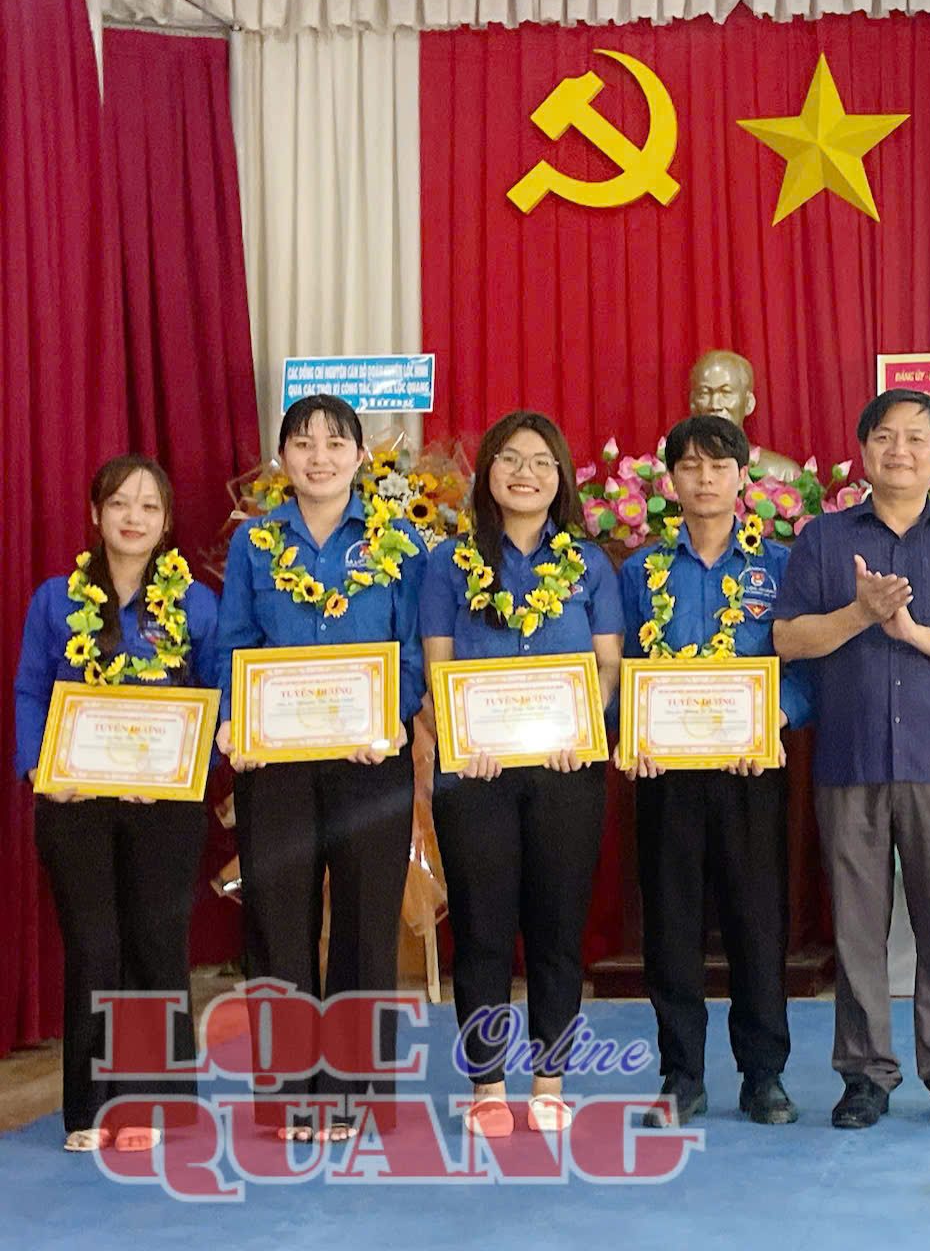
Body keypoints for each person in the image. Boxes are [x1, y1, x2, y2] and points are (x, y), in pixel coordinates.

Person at [774, 389, 930, 1131]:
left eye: (914, 438)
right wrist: (860, 614)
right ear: (864, 450)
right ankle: (864, 1075)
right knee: (856, 929)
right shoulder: (823, 539)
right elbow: (788, 639)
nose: (899, 450)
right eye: (884, 436)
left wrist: (910, 632)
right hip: (849, 763)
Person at [214, 393, 427, 1141]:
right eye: (302, 443)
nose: (319, 457)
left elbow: (413, 650)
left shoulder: (399, 540)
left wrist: (391, 715)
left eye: (336, 443)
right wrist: (233, 720)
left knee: (367, 926)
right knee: (279, 923)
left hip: (371, 758)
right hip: (275, 761)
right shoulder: (255, 542)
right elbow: (234, 643)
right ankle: (287, 1097)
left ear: (361, 457)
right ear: (282, 458)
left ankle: (354, 1091)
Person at [420, 410, 622, 1138]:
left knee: (557, 928)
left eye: (541, 461)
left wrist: (585, 725)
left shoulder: (589, 565)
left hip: (566, 770)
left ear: (561, 476)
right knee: (482, 929)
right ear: (488, 473)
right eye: (510, 458)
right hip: (474, 774)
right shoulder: (449, 563)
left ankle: (549, 1081)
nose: (525, 473)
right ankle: (486, 1084)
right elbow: (437, 665)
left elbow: (607, 666)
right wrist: (457, 734)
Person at [15, 455, 219, 1153]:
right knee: (94, 948)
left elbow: (218, 697)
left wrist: (186, 768)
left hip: (164, 807)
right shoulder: (56, 600)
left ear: (166, 523)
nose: (134, 517)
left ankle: (152, 1104)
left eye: (149, 506)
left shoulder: (194, 604)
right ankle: (90, 1107)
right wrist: (40, 768)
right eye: (121, 504)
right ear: (96, 513)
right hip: (76, 802)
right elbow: (30, 690)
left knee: (156, 946)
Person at [618, 414, 813, 1130]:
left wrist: (778, 715)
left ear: (742, 477)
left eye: (719, 466)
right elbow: (620, 668)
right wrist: (628, 731)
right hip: (665, 774)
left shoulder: (779, 567)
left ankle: (764, 1075)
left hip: (749, 768)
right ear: (670, 481)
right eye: (690, 467)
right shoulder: (640, 571)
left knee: (757, 923)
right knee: (670, 926)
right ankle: (681, 1075)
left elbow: (805, 663)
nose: (705, 479)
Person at [687, 349, 802, 481]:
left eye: (726, 393)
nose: (715, 404)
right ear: (692, 403)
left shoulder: (781, 474)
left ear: (748, 403)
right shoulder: (671, 474)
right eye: (704, 393)